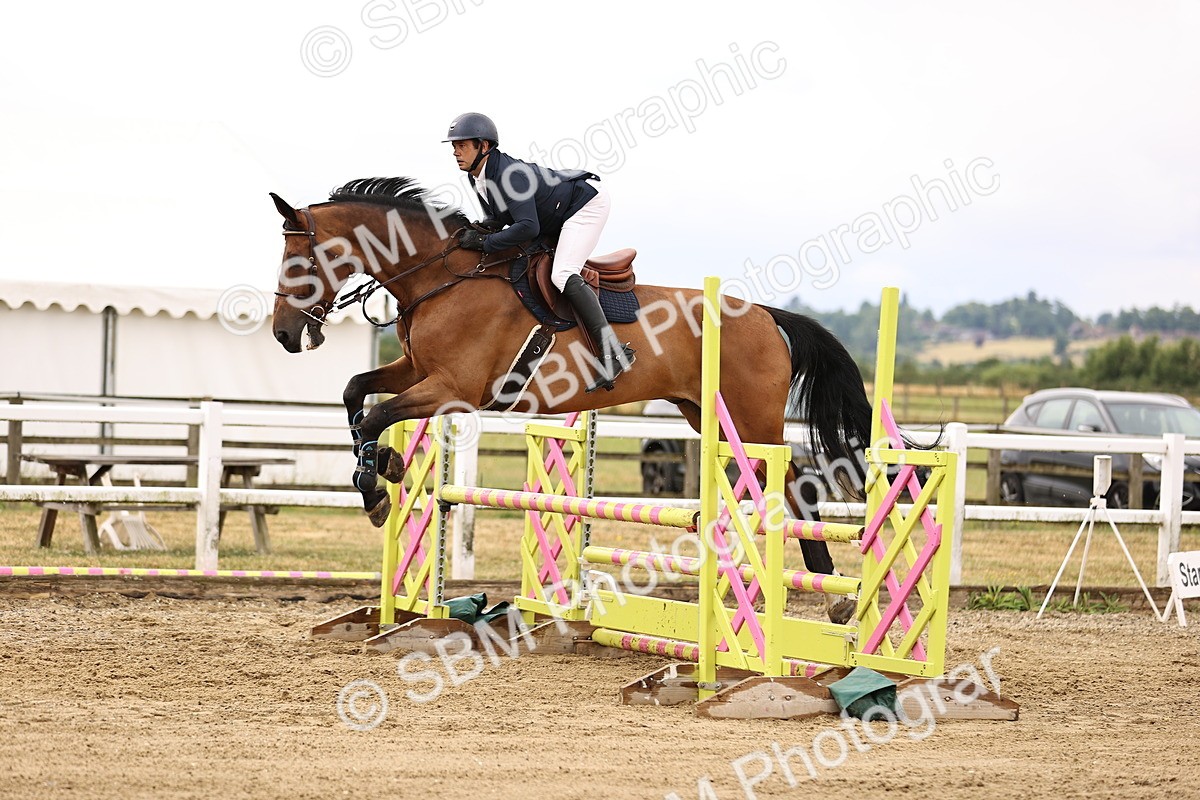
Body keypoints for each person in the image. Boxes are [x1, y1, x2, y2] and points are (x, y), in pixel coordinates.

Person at [444, 112, 634, 392]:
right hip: (554, 212)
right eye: (453, 146)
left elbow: (528, 227)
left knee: (562, 273)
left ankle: (613, 352)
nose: (455, 152)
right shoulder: (477, 177)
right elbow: (498, 219)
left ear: (483, 146)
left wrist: (485, 243)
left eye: (462, 145)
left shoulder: (510, 175)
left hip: (585, 205)